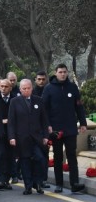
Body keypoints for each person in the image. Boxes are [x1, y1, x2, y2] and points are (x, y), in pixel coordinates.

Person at [42, 64, 87, 193]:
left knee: (72, 155)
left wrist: (83, 123)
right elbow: (44, 110)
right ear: (56, 73)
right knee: (57, 157)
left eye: (65, 72)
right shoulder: (49, 88)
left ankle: (74, 183)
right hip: (55, 129)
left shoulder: (73, 87)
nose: (63, 74)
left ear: (67, 73)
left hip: (70, 128)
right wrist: (48, 125)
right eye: (60, 72)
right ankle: (59, 184)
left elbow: (79, 106)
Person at [8, 79, 49, 195]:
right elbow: (11, 121)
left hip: (37, 138)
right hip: (22, 138)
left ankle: (38, 183)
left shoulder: (39, 100)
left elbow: (44, 120)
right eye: (24, 89)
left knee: (40, 159)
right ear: (20, 89)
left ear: (32, 88)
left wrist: (46, 136)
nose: (26, 90)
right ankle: (28, 186)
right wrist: (12, 137)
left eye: (28, 88)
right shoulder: (14, 102)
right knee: (25, 162)